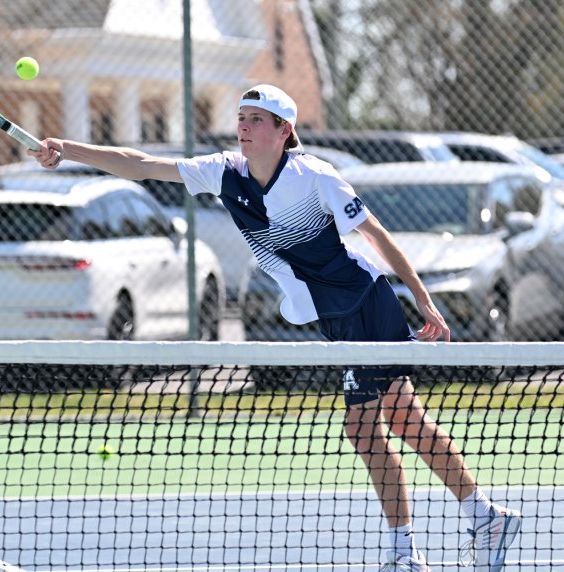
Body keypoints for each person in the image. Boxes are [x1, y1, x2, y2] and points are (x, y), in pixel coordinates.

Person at [31, 84, 521, 571]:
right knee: (390, 426)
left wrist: (421, 296)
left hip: (366, 306)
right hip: (333, 316)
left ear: (284, 131)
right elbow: (139, 163)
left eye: (256, 119)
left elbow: (374, 232)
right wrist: (68, 150)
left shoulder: (315, 178)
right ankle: (471, 522)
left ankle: (423, 545)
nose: (243, 126)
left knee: (375, 427)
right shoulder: (224, 172)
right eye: (241, 117)